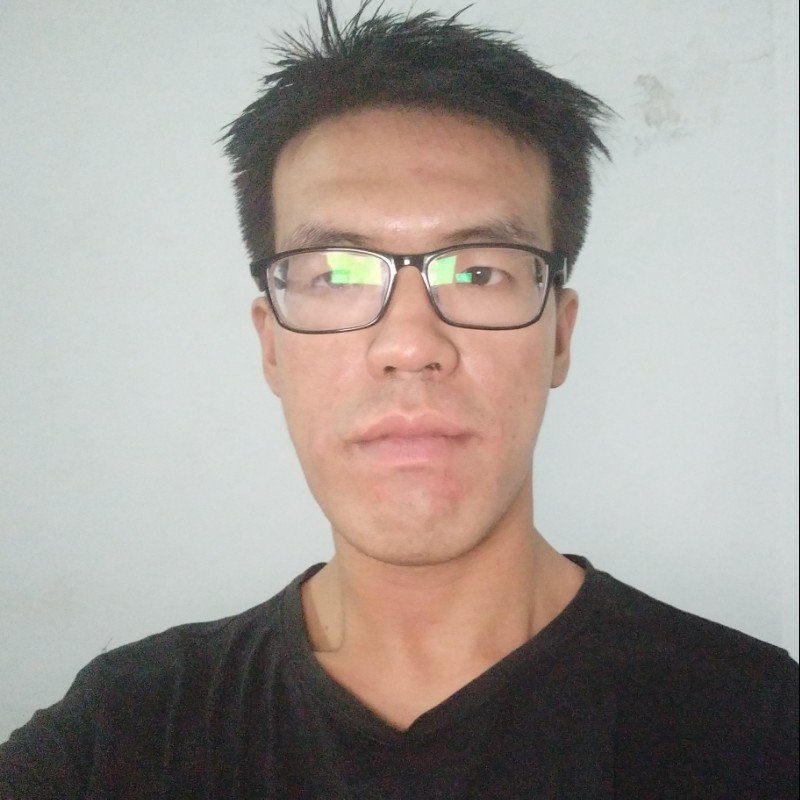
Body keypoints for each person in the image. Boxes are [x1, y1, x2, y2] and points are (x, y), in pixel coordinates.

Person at [1, 1, 797, 797]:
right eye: (337, 275)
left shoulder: (757, 726)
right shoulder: (124, 731)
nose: (410, 344)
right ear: (271, 345)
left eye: (479, 271)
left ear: (559, 336)